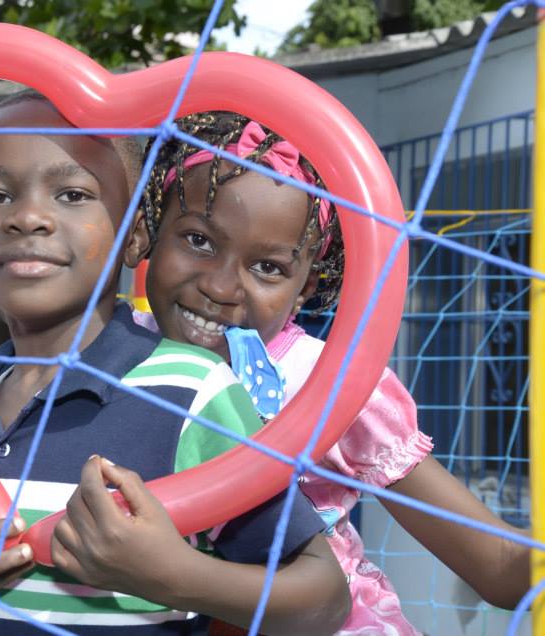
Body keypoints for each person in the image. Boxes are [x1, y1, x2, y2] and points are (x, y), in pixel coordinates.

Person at [0, 94, 350, 635]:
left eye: (72, 194)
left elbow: (323, 600)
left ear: (136, 235)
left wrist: (174, 575)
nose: (27, 217)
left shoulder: (194, 391)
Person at [132, 111, 531, 635]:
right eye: (199, 241)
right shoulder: (114, 354)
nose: (222, 287)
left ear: (304, 289)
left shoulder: (323, 382)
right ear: (150, 233)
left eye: (268, 267)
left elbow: (497, 567)